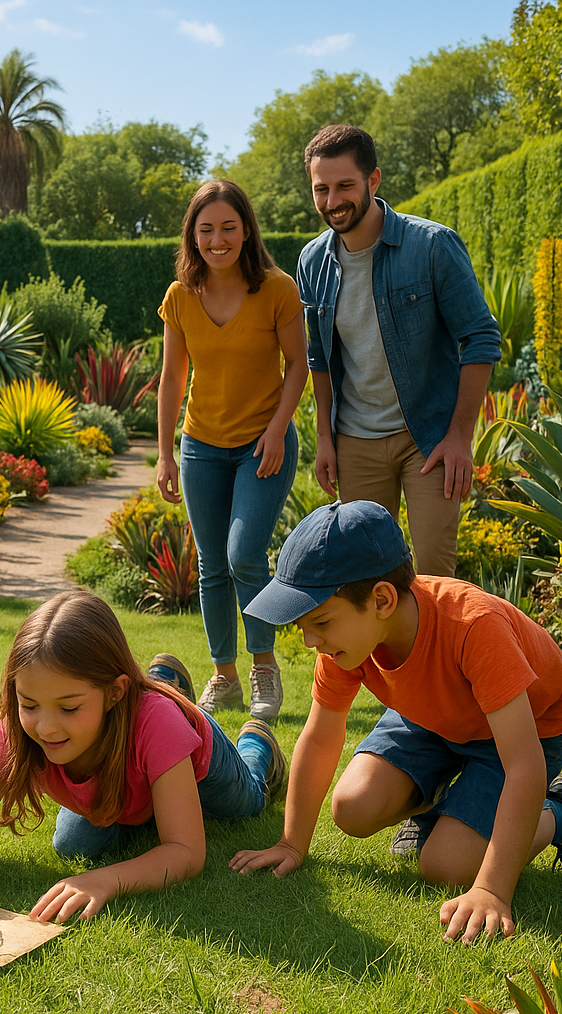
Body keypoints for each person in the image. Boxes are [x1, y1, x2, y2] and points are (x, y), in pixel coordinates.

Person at [229, 500, 562, 946]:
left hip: (528, 722)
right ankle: (444, 807)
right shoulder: (345, 642)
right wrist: (291, 843)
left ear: (382, 600)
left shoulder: (473, 627)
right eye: (303, 626)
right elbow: (320, 735)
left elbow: (523, 765)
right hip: (433, 715)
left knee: (446, 866)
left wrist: (491, 889)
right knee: (351, 807)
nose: (311, 640)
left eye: (320, 622)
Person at [0, 591, 287, 923]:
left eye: (69, 708)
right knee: (75, 846)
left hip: (195, 756)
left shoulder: (158, 725)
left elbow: (186, 852)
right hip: (134, 760)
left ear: (115, 693)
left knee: (251, 802)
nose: (46, 728)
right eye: (29, 704)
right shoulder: (16, 731)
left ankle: (257, 746)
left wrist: (105, 881)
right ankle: (164, 681)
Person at [299, 124, 502, 577]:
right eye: (321, 189)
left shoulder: (431, 245)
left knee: (433, 574)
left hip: (428, 439)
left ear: (373, 180)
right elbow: (319, 357)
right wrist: (325, 440)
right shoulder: (312, 261)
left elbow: (481, 337)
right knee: (366, 579)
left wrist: (459, 437)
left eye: (345, 185)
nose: (333, 201)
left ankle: (438, 652)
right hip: (355, 441)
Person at [157, 179, 308, 719]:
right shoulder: (180, 296)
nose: (217, 239)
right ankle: (223, 677)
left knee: (244, 554)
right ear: (193, 236)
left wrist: (276, 428)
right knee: (213, 566)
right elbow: (173, 378)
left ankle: (263, 667)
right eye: (206, 229)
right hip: (201, 445)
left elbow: (299, 366)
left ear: (246, 229)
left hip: (261, 445)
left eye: (227, 227)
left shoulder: (276, 289)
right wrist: (165, 454)